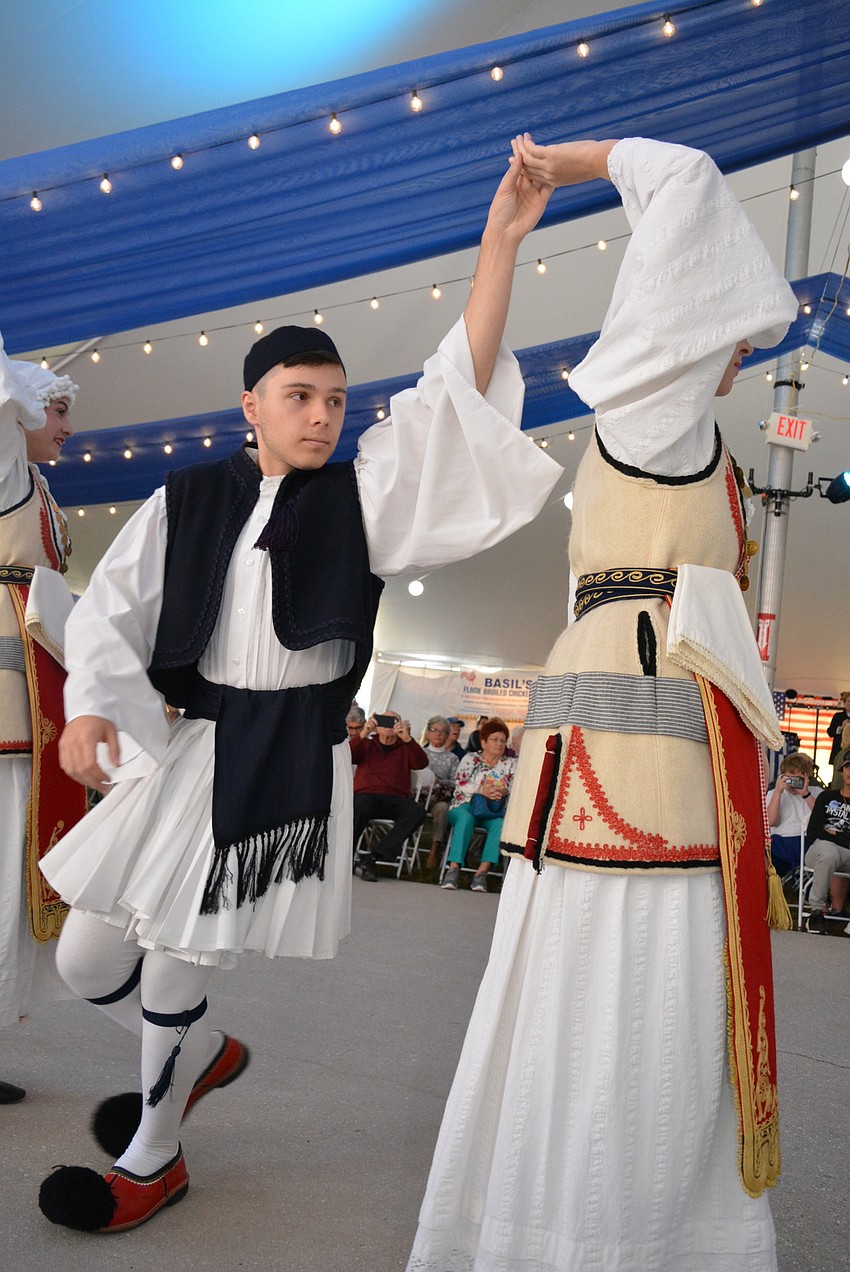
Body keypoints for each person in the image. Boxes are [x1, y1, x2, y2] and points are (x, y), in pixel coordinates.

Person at [35, 154, 562, 1234]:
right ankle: (202, 1055)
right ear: (251, 405)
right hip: (189, 748)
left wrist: (498, 248)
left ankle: (155, 1151)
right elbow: (111, 611)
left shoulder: (363, 499)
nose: (322, 416)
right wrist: (92, 704)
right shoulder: (184, 496)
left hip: (285, 754)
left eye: (333, 399)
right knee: (89, 962)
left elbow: (454, 393)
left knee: (175, 950)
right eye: (300, 398)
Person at [407, 135, 798, 1272]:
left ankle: (614, 1236)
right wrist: (567, 164)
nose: (738, 344)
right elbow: (682, 184)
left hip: (650, 785)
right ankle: (596, 1241)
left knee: (631, 1020)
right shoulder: (651, 415)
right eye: (728, 317)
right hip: (634, 793)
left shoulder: (701, 448)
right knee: (630, 1021)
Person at [0, 337, 87, 1104]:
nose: (65, 426)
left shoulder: (42, 491)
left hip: (38, 714)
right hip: (6, 718)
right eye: (55, 409)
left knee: (10, 880)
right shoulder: (4, 474)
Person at [350, 712, 429, 880]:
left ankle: (373, 857)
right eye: (383, 721)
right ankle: (347, 857)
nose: (388, 725)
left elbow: (421, 763)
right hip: (367, 795)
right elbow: (347, 756)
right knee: (359, 805)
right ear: (376, 726)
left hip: (395, 799)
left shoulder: (405, 747)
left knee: (417, 812)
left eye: (393, 721)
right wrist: (364, 732)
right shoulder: (367, 743)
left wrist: (407, 738)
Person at [441, 717, 515, 893]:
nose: (499, 744)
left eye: (503, 740)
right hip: (465, 805)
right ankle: (453, 869)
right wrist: (482, 790)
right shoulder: (471, 759)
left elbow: (514, 786)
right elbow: (460, 783)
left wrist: (504, 791)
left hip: (492, 810)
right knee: (465, 819)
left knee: (500, 825)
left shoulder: (510, 763)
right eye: (495, 739)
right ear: (483, 742)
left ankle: (481, 874)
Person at [803, 757, 850, 934]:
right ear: (842, 771)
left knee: (830, 851)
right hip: (819, 849)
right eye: (847, 767)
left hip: (845, 855)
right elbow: (814, 831)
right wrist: (844, 838)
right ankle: (815, 912)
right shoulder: (826, 796)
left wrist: (833, 833)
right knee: (828, 852)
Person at [765, 752, 820, 875]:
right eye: (789, 779)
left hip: (808, 842)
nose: (793, 783)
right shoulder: (774, 793)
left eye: (797, 779)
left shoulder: (817, 792)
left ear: (806, 777)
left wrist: (805, 794)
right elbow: (771, 822)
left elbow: (822, 819)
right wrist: (778, 792)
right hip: (781, 844)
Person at [420, 716, 460, 873]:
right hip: (420, 797)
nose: (438, 734)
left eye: (443, 732)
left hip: (439, 799)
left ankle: (434, 849)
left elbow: (456, 782)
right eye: (434, 730)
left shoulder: (452, 758)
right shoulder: (420, 753)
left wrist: (438, 782)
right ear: (428, 732)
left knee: (443, 808)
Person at [826, 691, 850, 776]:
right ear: (844, 703)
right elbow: (830, 732)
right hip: (839, 751)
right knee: (838, 775)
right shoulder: (838, 716)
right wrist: (841, 728)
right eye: (848, 701)